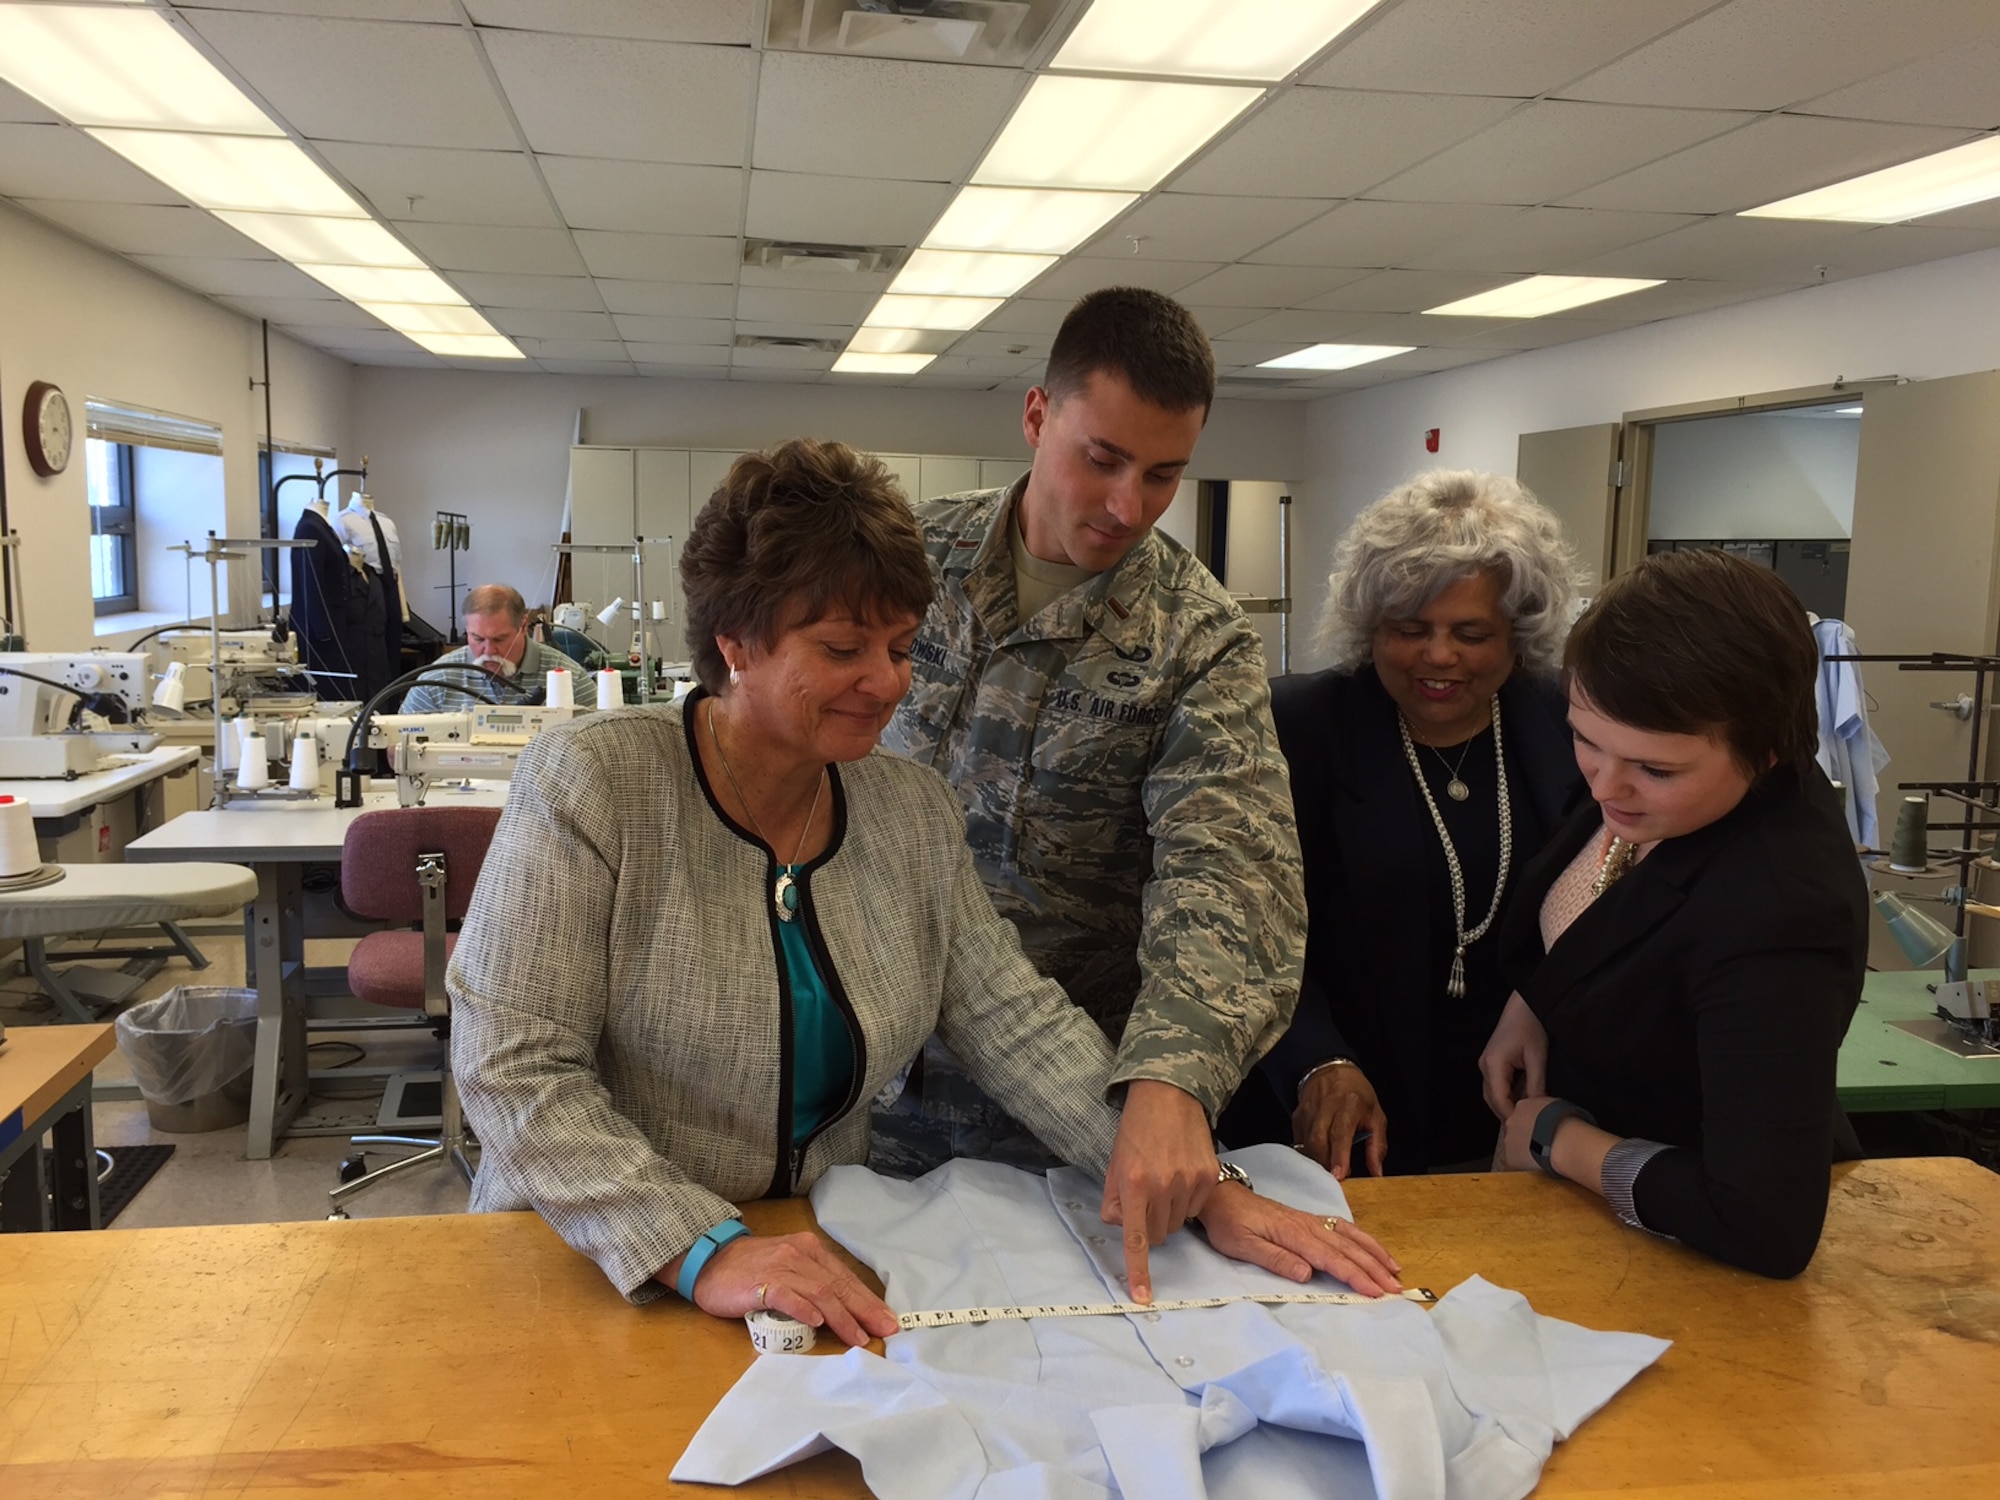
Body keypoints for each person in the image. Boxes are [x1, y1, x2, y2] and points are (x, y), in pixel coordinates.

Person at [449, 439, 1402, 1345]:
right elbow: (514, 1066)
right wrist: (699, 1247)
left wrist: (1202, 1185)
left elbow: (1019, 1025)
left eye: (903, 647)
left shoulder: (905, 811)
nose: (886, 682)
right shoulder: (593, 784)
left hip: (805, 1264)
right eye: (842, 649)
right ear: (734, 640)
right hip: (587, 1261)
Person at [875, 287, 1307, 1267]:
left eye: (1163, 474)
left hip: (1061, 1123)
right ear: (1036, 416)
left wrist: (1174, 1079)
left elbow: (1230, 866)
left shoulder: (1195, 638)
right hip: (853, 1090)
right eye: (1100, 459)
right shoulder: (906, 562)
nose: (1127, 507)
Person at [1480, 547, 1867, 1278]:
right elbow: (1602, 913)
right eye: (1585, 740)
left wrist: (1556, 1137)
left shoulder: (1781, 912)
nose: (1606, 785)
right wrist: (1535, 1001)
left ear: (1771, 749)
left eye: (1656, 769)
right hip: (1574, 1212)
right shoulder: (1648, 782)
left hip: (1683, 1251)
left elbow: (1762, 1223)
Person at [1219, 472, 1584, 1178]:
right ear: (1369, 627)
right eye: (1408, 629)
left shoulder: (1568, 727)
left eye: (1471, 633)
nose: (1438, 656)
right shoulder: (1296, 729)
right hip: (1330, 1124)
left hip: (1519, 1120)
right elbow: (1244, 929)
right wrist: (1316, 1059)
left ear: (1519, 633)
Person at [401, 584, 587, 712]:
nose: (489, 651)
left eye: (499, 639)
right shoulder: (436, 680)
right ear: (467, 630)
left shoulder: (570, 678)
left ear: (523, 626)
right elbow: (396, 751)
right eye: (478, 638)